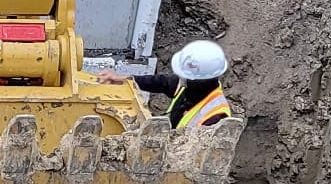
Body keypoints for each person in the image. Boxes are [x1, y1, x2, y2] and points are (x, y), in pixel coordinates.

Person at [99, 39, 233, 130]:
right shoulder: (191, 87)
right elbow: (162, 82)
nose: (180, 76)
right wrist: (124, 79)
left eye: (185, 74)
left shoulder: (216, 117)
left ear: (199, 79)